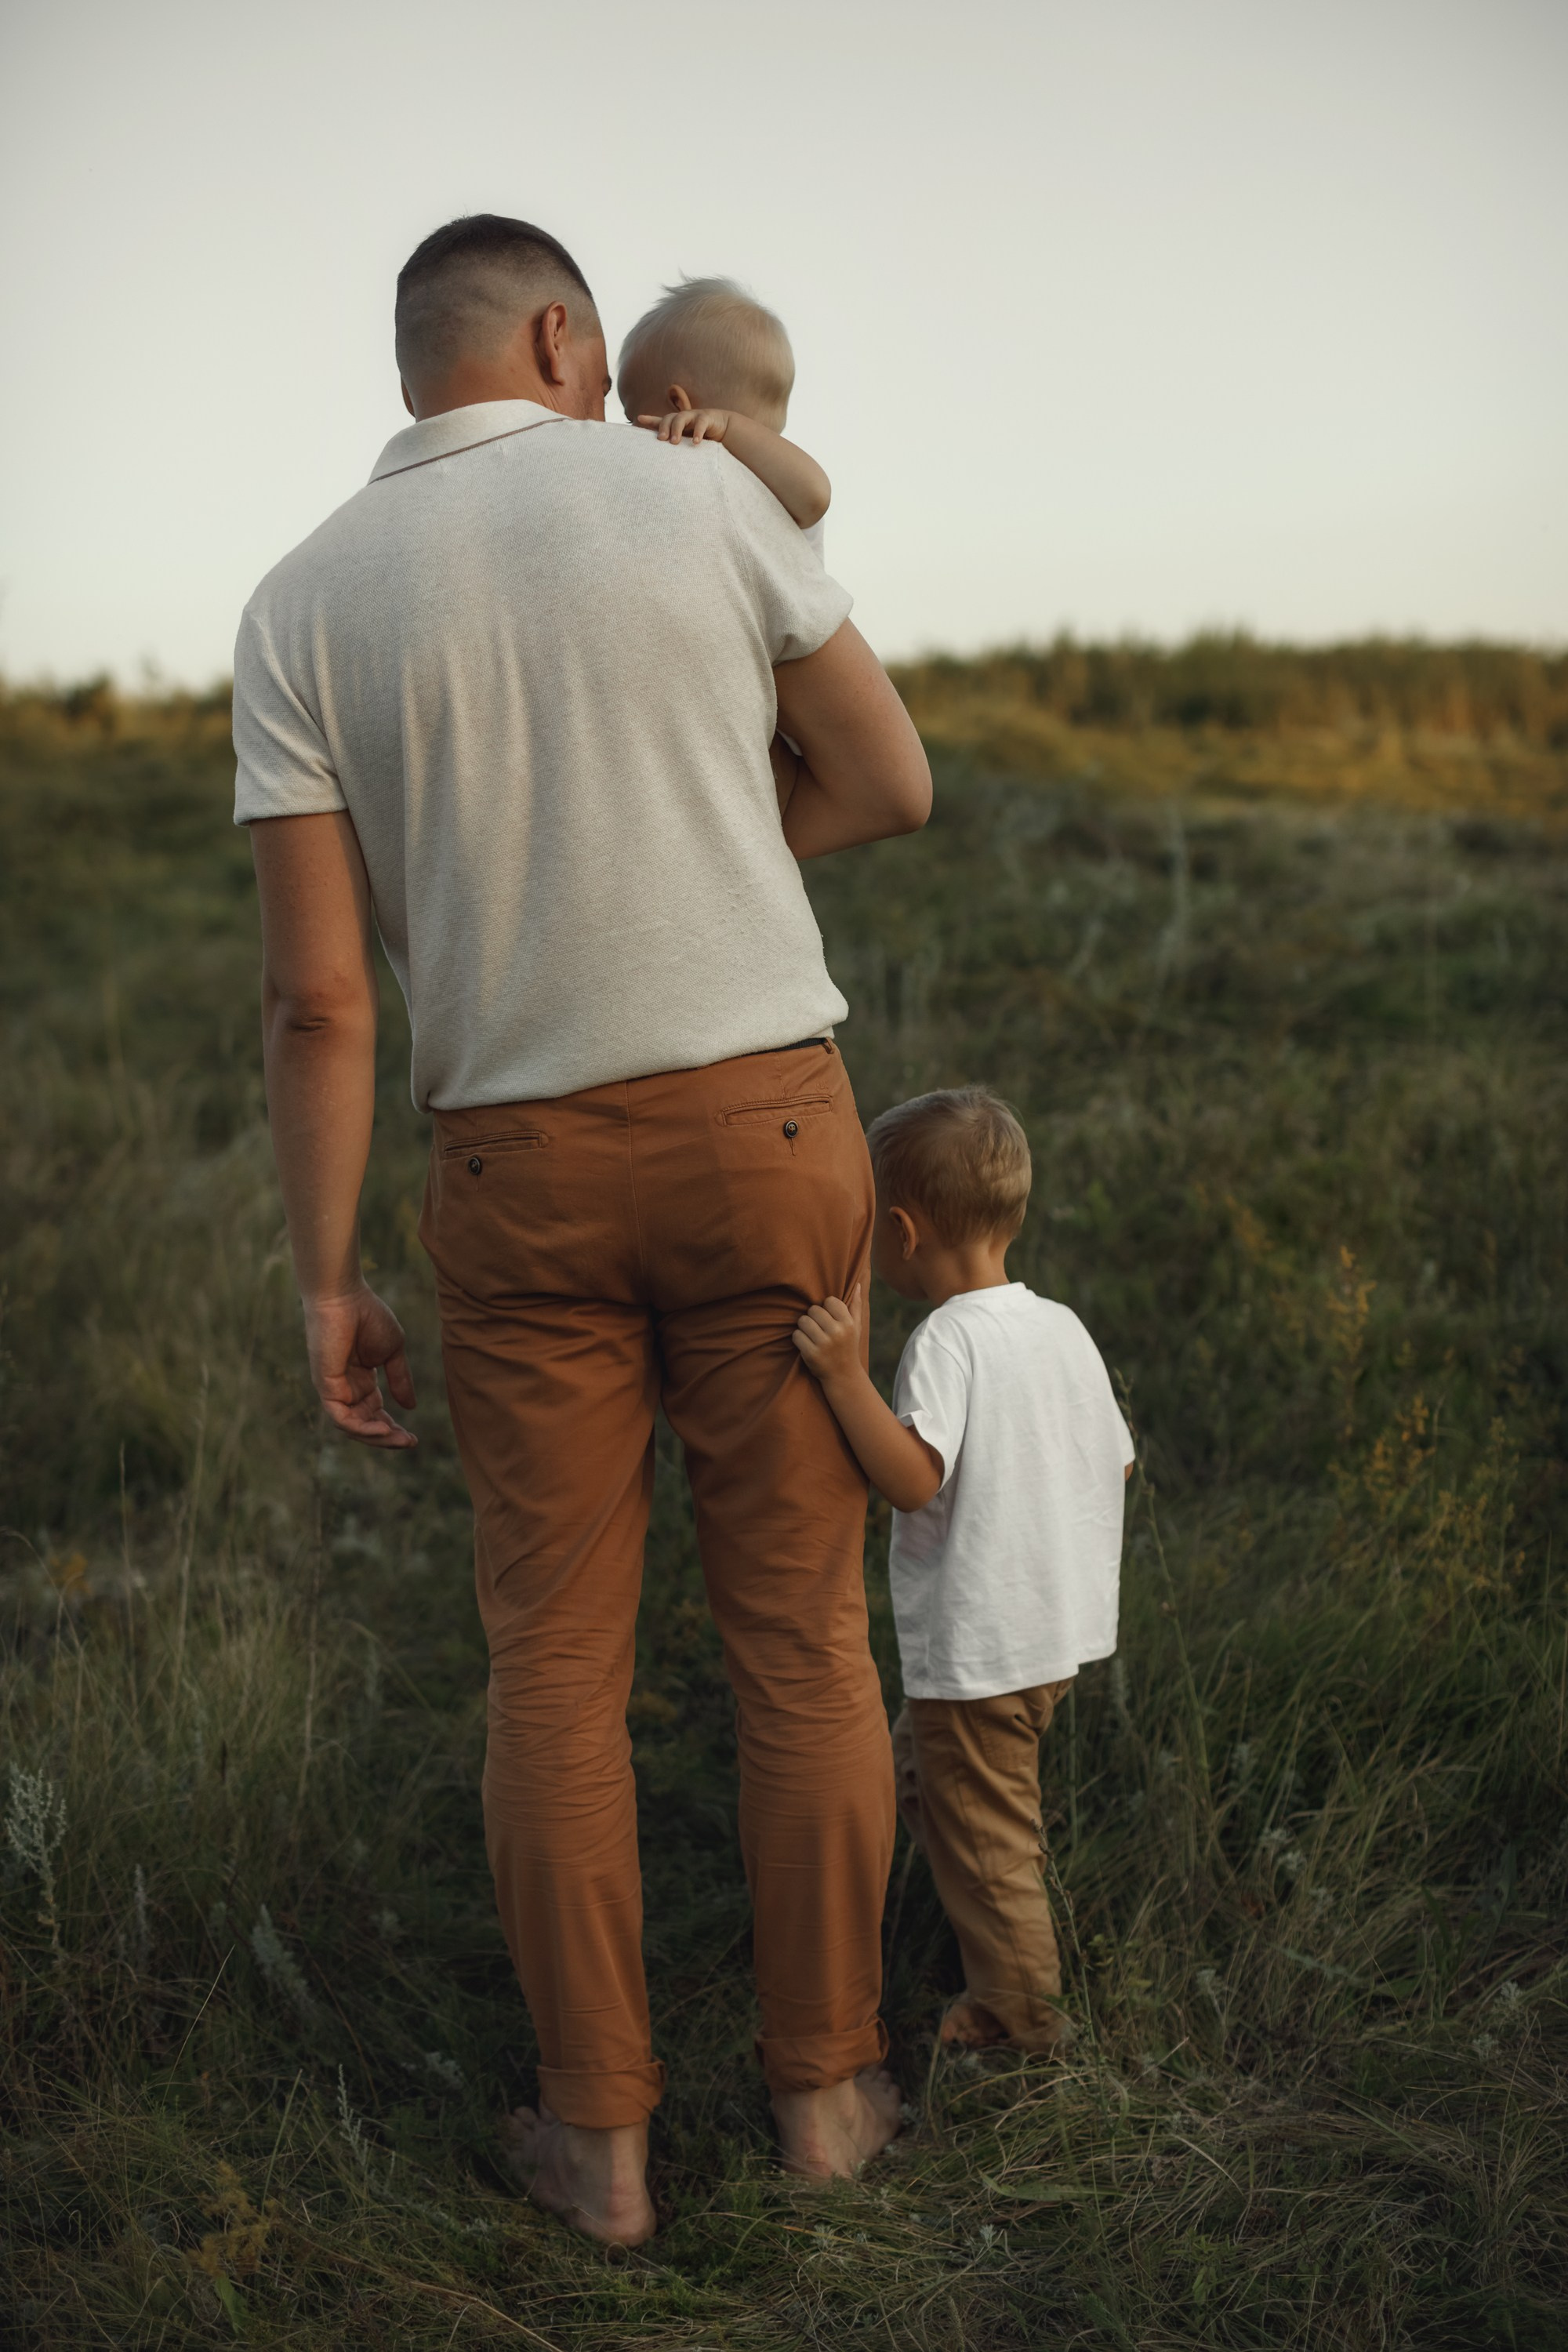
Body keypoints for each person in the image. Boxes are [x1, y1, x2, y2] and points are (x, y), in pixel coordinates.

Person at [233, 212, 931, 2245]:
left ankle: (600, 2147)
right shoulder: (696, 495)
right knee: (802, 1638)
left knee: (550, 1664)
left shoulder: (296, 603)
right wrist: (716, 840)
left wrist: (326, 1280)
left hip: (511, 1174)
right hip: (763, 1131)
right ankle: (829, 2096)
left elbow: (319, 1002)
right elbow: (888, 780)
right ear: (560, 336)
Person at [793, 1087, 1134, 2054]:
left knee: (987, 1845)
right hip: (1048, 1634)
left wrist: (843, 1379)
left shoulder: (945, 1339)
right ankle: (989, 1909)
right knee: (931, 1781)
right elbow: (1114, 1460)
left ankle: (1020, 2022)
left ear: (901, 1231)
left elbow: (911, 1479)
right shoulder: (1059, 1324)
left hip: (981, 1651)